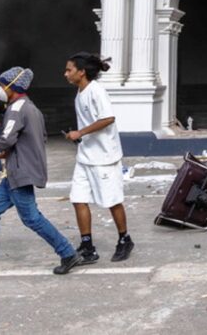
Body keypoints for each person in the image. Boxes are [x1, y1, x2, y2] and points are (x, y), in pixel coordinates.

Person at [0, 66, 84, 278]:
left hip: (20, 172)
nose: (1, 89)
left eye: (3, 85)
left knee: (31, 218)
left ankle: (67, 253)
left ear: (13, 86)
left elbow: (7, 138)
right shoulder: (31, 108)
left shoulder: (16, 109)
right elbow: (32, 139)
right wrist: (7, 154)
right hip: (16, 170)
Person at [63, 52, 133, 263]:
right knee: (78, 199)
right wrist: (78, 136)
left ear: (82, 72)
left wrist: (80, 132)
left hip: (104, 157)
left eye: (69, 69)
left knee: (112, 201)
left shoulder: (96, 91)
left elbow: (108, 118)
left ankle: (124, 239)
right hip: (85, 156)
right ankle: (87, 246)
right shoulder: (80, 91)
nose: (65, 73)